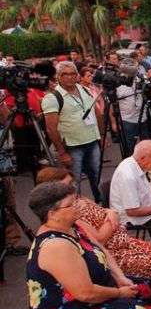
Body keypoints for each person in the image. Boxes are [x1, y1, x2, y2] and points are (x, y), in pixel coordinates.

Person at [35, 167, 151, 295]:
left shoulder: (77, 199)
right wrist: (113, 217)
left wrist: (109, 212)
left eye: (72, 183)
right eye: (67, 185)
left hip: (121, 243)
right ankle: (150, 298)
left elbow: (101, 209)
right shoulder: (69, 217)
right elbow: (100, 239)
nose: (72, 188)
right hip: (115, 251)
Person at [42, 62, 103, 203]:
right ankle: (75, 213)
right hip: (72, 147)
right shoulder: (52, 97)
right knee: (74, 184)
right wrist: (62, 152)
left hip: (93, 141)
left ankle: (100, 206)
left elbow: (96, 112)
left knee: (97, 177)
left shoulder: (84, 89)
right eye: (65, 74)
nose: (69, 77)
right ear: (58, 77)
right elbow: (51, 128)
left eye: (72, 74)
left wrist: (101, 136)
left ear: (77, 76)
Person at [110, 140, 151, 229]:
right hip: (134, 219)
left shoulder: (136, 163)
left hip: (147, 205)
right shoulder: (128, 176)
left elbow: (145, 190)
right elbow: (132, 211)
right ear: (143, 158)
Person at [114, 60, 146, 155]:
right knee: (129, 149)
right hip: (127, 120)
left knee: (146, 146)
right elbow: (112, 104)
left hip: (143, 118)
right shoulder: (117, 83)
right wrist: (113, 123)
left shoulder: (140, 79)